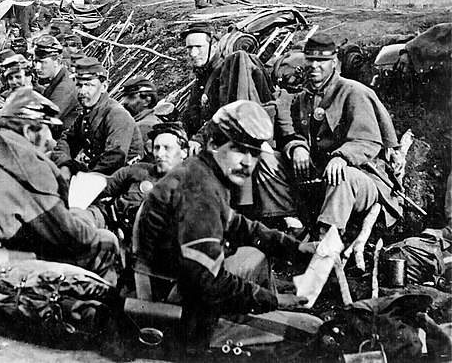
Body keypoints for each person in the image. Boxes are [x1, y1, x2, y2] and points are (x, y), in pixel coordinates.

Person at [134, 100, 315, 351]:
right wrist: (272, 300)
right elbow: (208, 280)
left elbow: (237, 224)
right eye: (239, 150)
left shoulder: (204, 172)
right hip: (173, 304)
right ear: (213, 144)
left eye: (254, 153)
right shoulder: (200, 190)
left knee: (255, 255)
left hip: (178, 283)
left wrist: (294, 248)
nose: (248, 162)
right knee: (306, 331)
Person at [0, 88, 120, 312]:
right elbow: (72, 237)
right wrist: (84, 214)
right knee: (104, 241)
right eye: (49, 131)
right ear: (29, 130)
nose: (52, 142)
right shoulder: (28, 167)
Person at [254, 33, 403, 236]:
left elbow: (367, 140)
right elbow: (291, 135)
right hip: (318, 177)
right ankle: (294, 224)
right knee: (265, 159)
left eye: (322, 61)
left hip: (361, 180)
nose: (314, 65)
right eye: (310, 59)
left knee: (342, 175)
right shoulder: (302, 98)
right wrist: (297, 148)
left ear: (334, 63)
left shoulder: (353, 92)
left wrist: (342, 157)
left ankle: (325, 242)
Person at [85, 122, 189, 232]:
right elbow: (102, 186)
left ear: (183, 152)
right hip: (107, 223)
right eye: (156, 148)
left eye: (167, 148)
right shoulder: (138, 170)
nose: (159, 154)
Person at [51, 57, 144, 178]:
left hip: (121, 180)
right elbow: (67, 140)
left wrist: (83, 177)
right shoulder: (88, 112)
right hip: (96, 173)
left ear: (104, 86)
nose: (82, 91)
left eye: (89, 85)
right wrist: (65, 165)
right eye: (79, 85)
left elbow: (114, 160)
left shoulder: (116, 115)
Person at [32, 34, 80, 134]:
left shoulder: (64, 87)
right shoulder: (57, 80)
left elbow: (43, 122)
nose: (37, 67)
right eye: (36, 62)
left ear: (57, 61)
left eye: (42, 62)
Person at [118, 76, 160, 142]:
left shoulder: (145, 126)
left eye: (130, 97)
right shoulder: (140, 123)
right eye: (124, 97)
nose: (124, 102)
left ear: (147, 101)